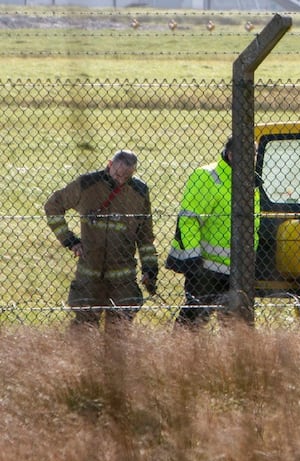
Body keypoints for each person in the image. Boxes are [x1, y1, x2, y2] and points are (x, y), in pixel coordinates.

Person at [44, 150, 158, 328]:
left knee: (120, 327)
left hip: (123, 275)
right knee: (84, 326)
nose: (121, 181)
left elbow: (145, 235)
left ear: (134, 173)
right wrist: (70, 241)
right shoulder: (87, 184)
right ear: (109, 165)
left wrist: (150, 269)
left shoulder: (139, 192)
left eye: (127, 177)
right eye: (117, 175)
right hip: (90, 271)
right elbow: (53, 206)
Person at [165, 137, 260, 327]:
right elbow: (189, 219)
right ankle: (181, 345)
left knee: (236, 325)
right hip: (206, 268)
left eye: (254, 155)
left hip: (238, 269)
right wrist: (192, 258)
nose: (253, 160)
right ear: (231, 155)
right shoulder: (207, 176)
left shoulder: (250, 182)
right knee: (193, 322)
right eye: (248, 155)